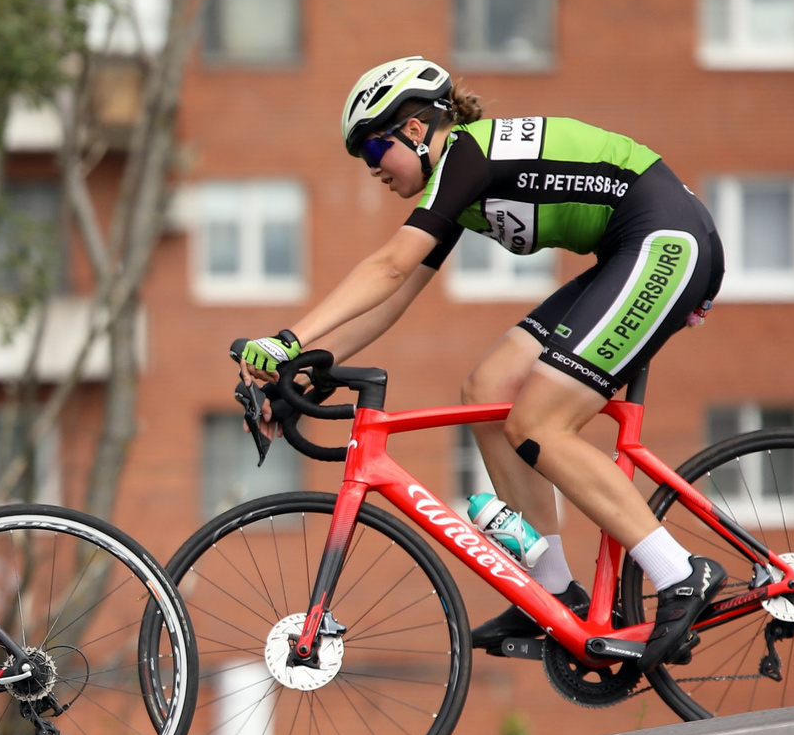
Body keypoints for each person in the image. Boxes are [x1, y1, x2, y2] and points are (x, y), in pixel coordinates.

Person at [234, 56, 730, 666]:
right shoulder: (457, 183)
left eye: (372, 148)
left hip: (666, 242)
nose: (370, 169)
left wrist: (286, 337)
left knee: (540, 424)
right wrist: (307, 362)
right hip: (630, 248)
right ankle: (552, 590)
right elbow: (391, 301)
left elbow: (388, 265)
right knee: (487, 388)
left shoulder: (467, 155)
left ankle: (680, 571)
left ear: (416, 130)